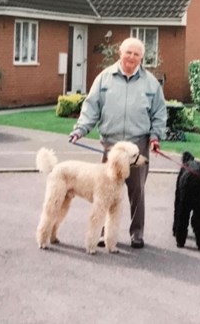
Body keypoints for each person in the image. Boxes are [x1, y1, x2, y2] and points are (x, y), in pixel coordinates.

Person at [69, 37, 167, 249]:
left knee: (136, 191)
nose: (131, 57)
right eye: (128, 53)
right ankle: (105, 234)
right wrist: (80, 130)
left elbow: (159, 112)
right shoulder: (105, 78)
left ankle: (136, 234)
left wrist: (155, 136)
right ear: (120, 53)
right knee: (106, 191)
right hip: (111, 146)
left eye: (136, 54)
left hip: (137, 144)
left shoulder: (150, 82)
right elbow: (91, 107)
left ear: (142, 58)